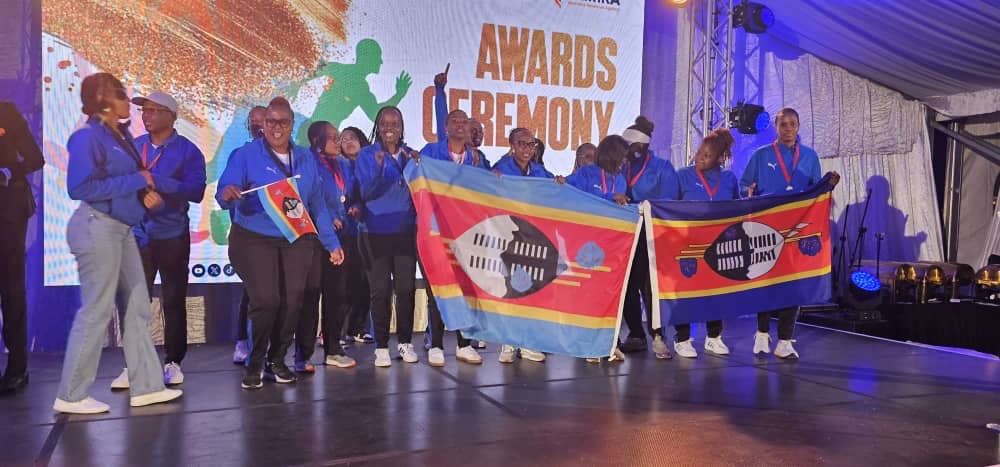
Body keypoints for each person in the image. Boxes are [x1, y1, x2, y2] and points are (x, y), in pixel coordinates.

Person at [55, 72, 183, 413]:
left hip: (122, 229)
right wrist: (135, 180)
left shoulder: (120, 135)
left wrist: (143, 196)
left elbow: (124, 183)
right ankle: (70, 394)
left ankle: (147, 386)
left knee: (139, 305)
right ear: (103, 98)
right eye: (124, 96)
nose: (131, 103)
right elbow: (79, 188)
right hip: (97, 227)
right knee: (96, 310)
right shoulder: (87, 137)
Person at [217, 97, 344, 389]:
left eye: (282, 122)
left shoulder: (305, 158)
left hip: (295, 237)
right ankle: (256, 362)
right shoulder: (246, 154)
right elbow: (225, 188)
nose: (276, 127)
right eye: (270, 121)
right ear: (263, 125)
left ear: (291, 125)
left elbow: (317, 205)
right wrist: (227, 193)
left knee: (292, 302)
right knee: (266, 301)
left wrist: (331, 243)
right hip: (253, 238)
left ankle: (277, 360)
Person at [109, 92, 207, 390]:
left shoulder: (188, 151)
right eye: (143, 111)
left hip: (172, 234)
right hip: (137, 235)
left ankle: (173, 362)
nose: (145, 115)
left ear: (170, 115)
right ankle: (133, 364)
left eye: (152, 110)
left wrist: (159, 187)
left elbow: (196, 191)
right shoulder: (133, 147)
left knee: (174, 300)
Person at [739, 107, 822, 359]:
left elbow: (816, 191)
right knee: (766, 282)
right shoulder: (760, 155)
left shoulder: (809, 156)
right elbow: (743, 186)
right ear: (775, 127)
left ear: (798, 126)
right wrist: (748, 192)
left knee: (792, 286)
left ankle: (785, 340)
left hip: (796, 230)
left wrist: (827, 187)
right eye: (783, 124)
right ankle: (762, 333)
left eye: (792, 124)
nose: (788, 129)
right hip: (766, 227)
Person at [417, 108, 488, 366]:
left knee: (466, 290)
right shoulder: (431, 152)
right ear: (445, 127)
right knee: (438, 288)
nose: (460, 124)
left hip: (466, 234)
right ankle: (436, 344)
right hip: (434, 231)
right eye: (454, 121)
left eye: (464, 121)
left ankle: (463, 344)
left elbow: (487, 190)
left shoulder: (477, 159)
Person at [355, 106, 421, 368]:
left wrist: (419, 165)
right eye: (384, 122)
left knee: (405, 291)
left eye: (395, 122)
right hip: (374, 233)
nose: (390, 126)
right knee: (380, 291)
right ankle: (381, 346)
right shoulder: (367, 155)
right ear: (378, 127)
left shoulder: (410, 155)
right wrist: (380, 170)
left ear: (402, 126)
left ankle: (405, 342)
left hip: (405, 232)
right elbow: (366, 192)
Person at [294, 121, 358, 371]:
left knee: (337, 295)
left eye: (338, 136)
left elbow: (353, 195)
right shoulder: (306, 164)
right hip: (314, 239)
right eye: (331, 137)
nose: (337, 141)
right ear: (315, 141)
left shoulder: (343, 165)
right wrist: (330, 216)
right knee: (310, 296)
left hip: (342, 238)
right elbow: (308, 200)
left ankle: (333, 349)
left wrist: (354, 208)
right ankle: (303, 355)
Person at [489, 128, 555, 364]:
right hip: (508, 236)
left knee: (531, 290)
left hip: (532, 238)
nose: (527, 149)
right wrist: (492, 180)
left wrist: (559, 182)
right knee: (511, 290)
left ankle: (528, 343)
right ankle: (508, 344)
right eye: (522, 144)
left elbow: (556, 189)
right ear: (512, 146)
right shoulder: (500, 168)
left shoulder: (538, 171)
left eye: (531, 144)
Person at [673, 128, 738, 358]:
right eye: (700, 151)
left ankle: (714, 337)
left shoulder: (729, 179)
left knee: (716, 292)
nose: (700, 157)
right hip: (687, 245)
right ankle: (682, 339)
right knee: (685, 292)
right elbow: (668, 208)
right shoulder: (682, 176)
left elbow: (736, 211)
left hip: (718, 247)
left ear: (720, 158)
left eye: (707, 155)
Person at [619, 116, 679, 359]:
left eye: (635, 146)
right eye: (627, 145)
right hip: (626, 236)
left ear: (644, 146)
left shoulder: (663, 168)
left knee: (651, 288)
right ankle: (635, 333)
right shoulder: (619, 166)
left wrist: (640, 205)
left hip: (653, 237)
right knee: (627, 287)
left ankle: (658, 336)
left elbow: (669, 200)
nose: (630, 150)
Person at [0, 100, 44, 394]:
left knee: (11, 288)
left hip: (7, 211)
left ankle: (17, 367)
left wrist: (7, 169)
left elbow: (35, 158)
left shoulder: (6, 112)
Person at [295, 39, 412, 145]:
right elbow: (313, 71)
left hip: (325, 138)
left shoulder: (359, 85)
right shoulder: (345, 73)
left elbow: (375, 114)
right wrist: (295, 86)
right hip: (311, 135)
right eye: (378, 56)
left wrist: (399, 94)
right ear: (368, 57)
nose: (381, 61)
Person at [232, 106, 267, 364]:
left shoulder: (288, 156)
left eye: (262, 121)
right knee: (251, 291)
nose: (258, 126)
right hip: (246, 231)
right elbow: (227, 192)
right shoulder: (241, 154)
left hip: (277, 233)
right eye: (253, 123)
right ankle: (243, 341)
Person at [338, 126, 374, 345]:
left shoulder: (371, 165)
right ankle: (335, 332)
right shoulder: (338, 166)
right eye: (343, 139)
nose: (347, 141)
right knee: (343, 284)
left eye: (352, 137)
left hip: (369, 230)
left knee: (365, 283)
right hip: (344, 232)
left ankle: (358, 328)